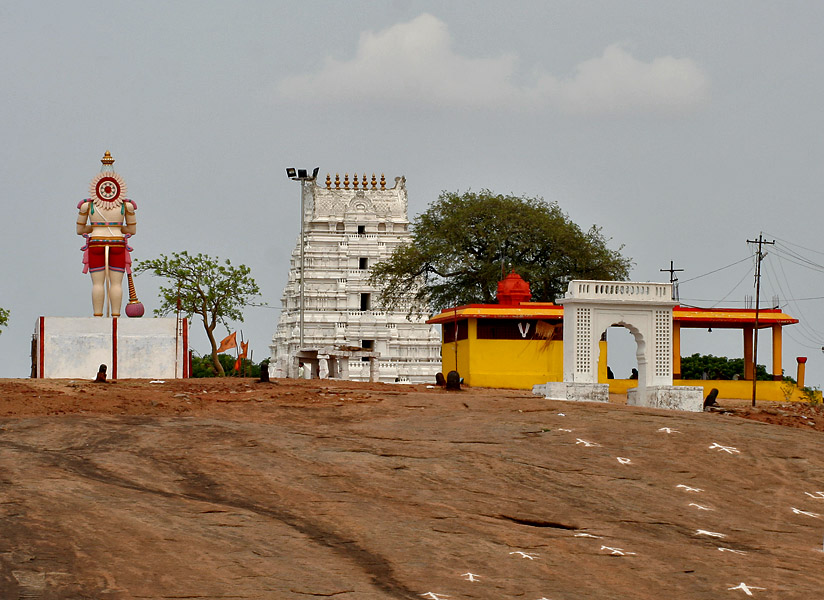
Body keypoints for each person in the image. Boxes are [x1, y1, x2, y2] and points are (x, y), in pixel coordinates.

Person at [76, 151, 137, 317]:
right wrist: (119, 228)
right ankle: (116, 316)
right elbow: (132, 230)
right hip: (118, 244)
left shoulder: (87, 206)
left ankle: (98, 316)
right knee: (116, 284)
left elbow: (80, 230)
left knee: (97, 284)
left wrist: (94, 228)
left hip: (96, 243)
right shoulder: (126, 206)